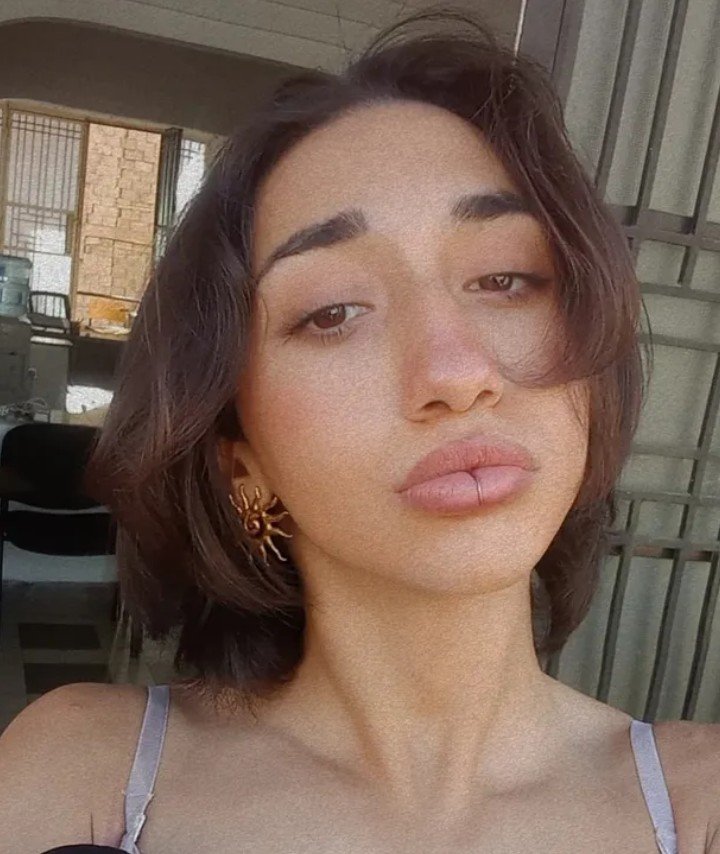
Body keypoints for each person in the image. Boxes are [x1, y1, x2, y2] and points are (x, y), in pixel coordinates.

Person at [1, 8, 718, 854]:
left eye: (506, 278)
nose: (455, 372)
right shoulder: (85, 778)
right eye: (333, 311)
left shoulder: (697, 803)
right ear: (241, 463)